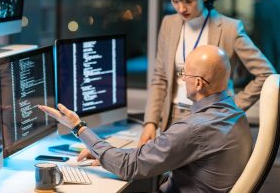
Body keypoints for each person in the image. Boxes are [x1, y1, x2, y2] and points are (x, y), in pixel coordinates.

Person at [39, 45, 252, 192]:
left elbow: (128, 167)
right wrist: (107, 153)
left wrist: (78, 127)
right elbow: (145, 157)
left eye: (184, 74)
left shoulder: (195, 128)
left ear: (198, 83)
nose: (182, 79)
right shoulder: (235, 114)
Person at [139, 0, 275, 146]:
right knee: (171, 175)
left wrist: (232, 108)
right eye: (175, 0)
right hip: (172, 118)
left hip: (211, 121)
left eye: (188, 1)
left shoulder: (229, 28)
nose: (181, 8)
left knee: (201, 175)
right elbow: (160, 77)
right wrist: (150, 122)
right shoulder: (169, 24)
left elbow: (266, 73)